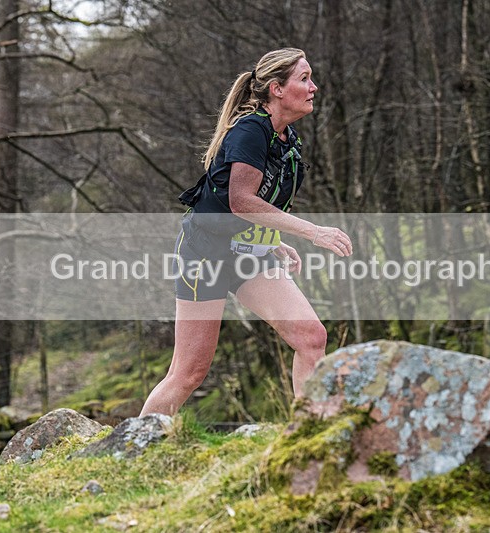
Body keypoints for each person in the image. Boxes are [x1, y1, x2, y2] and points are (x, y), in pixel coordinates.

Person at [140, 48, 353, 417]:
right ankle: (130, 444)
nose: (314, 87)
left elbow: (255, 204)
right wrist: (313, 232)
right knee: (189, 373)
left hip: (248, 255)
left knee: (311, 337)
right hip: (204, 254)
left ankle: (308, 433)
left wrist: (273, 241)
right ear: (277, 89)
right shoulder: (250, 131)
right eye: (304, 78)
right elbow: (240, 201)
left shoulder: (287, 139)